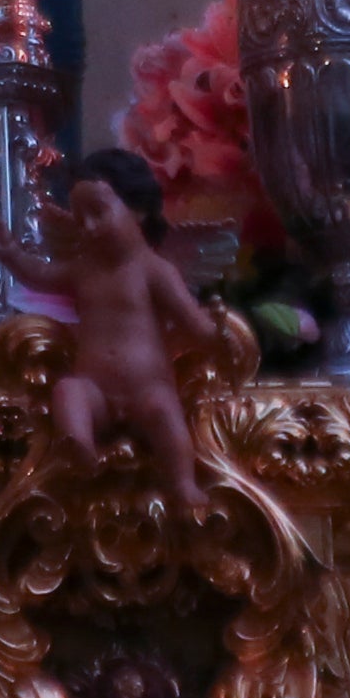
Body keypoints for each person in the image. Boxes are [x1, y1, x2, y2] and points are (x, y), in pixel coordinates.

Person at [37, 147, 237, 510]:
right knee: (68, 391)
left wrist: (216, 335)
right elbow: (43, 276)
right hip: (95, 389)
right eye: (79, 219)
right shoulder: (84, 269)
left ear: (139, 210)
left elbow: (191, 320)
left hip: (146, 389)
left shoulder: (154, 270)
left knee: (164, 410)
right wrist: (8, 255)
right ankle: (79, 447)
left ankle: (182, 482)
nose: (88, 227)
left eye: (98, 213)